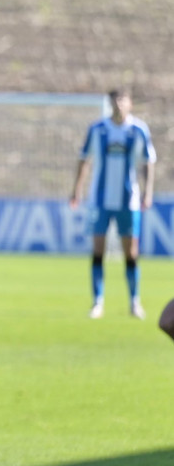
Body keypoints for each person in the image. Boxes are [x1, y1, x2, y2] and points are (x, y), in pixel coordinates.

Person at [69, 88, 156, 320]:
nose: (118, 104)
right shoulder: (97, 129)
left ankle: (134, 302)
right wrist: (76, 190)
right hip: (99, 199)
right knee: (98, 250)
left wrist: (148, 192)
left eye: (122, 100)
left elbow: (148, 162)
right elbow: (84, 159)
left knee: (131, 252)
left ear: (130, 104)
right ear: (109, 104)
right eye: (114, 100)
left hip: (129, 200)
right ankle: (98, 302)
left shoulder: (138, 129)